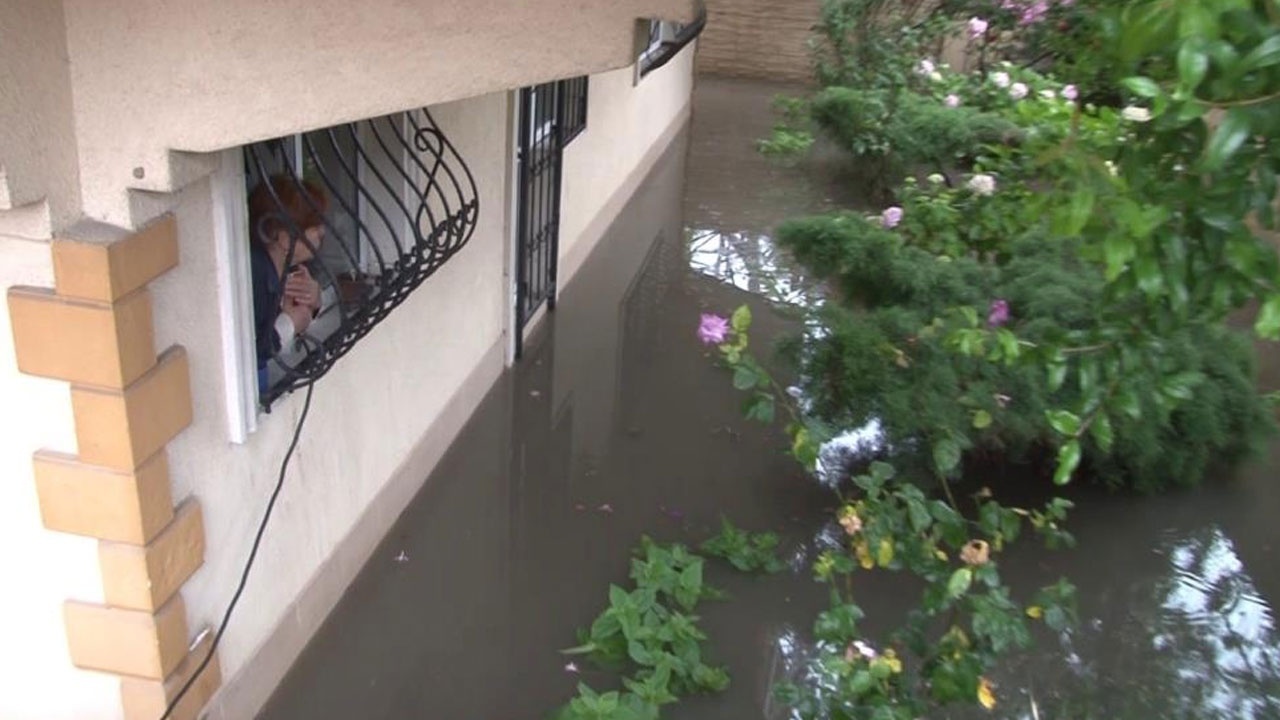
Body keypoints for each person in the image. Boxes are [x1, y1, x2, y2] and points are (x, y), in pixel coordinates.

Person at [247, 175, 328, 393]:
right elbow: (249, 353)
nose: (321, 232)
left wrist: (315, 300)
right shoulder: (255, 274)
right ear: (283, 237)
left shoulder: (286, 267)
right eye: (313, 225)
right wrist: (289, 324)